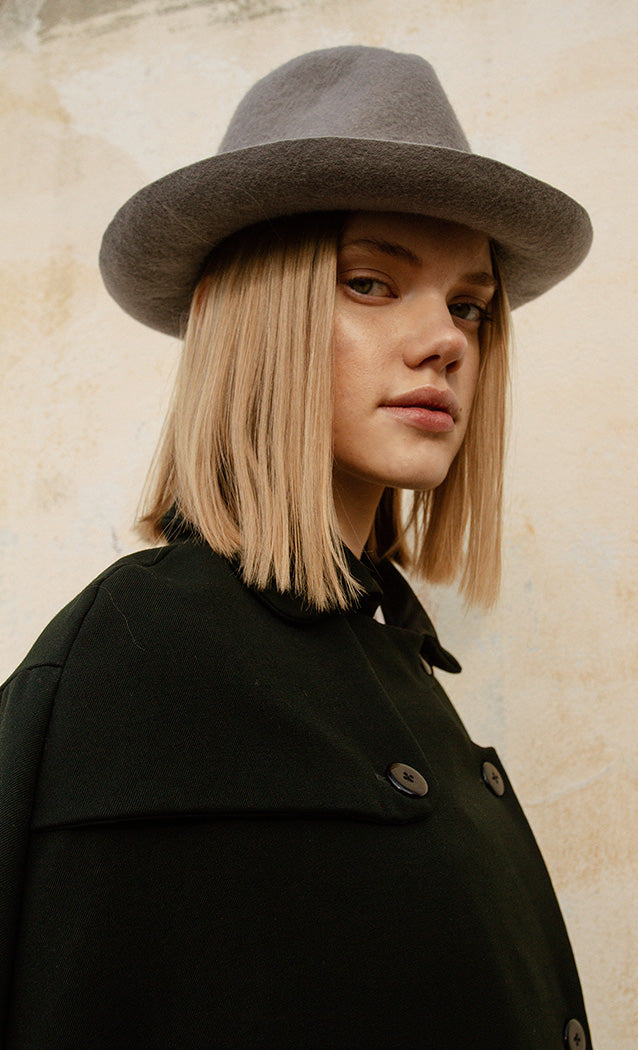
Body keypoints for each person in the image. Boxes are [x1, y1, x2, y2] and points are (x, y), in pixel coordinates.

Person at [0, 46, 594, 1049]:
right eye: (370, 282)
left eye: (468, 305)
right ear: (248, 317)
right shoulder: (140, 652)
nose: (446, 340)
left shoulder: (389, 657)